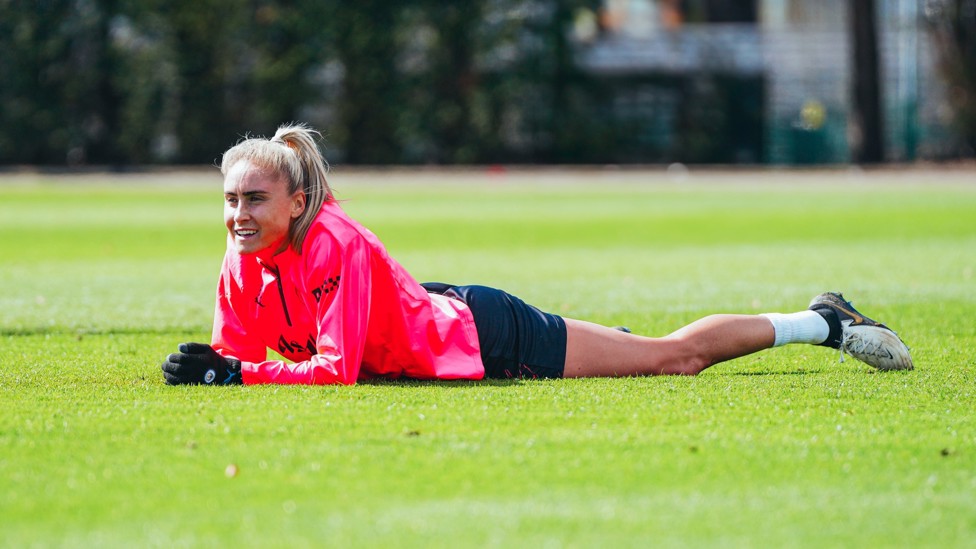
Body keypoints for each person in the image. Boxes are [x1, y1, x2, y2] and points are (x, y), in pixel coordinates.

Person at [160, 123, 913, 386]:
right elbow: (240, 353)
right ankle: (610, 343)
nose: (238, 215)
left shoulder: (337, 244)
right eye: (230, 200)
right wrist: (221, 369)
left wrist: (237, 376)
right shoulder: (242, 260)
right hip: (434, 317)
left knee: (669, 358)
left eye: (253, 200)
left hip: (487, 333)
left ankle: (823, 321)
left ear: (296, 202)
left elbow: (333, 370)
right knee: (624, 349)